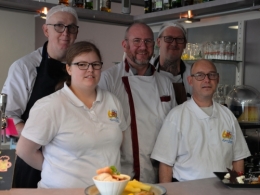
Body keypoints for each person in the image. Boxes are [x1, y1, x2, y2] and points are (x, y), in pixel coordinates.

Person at [16, 41, 127, 188]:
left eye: (95, 64)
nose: (90, 70)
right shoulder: (51, 106)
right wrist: (55, 168)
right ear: (68, 68)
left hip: (107, 190)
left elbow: (119, 143)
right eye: (82, 64)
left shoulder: (112, 101)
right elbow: (24, 151)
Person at [1, 5, 79, 188]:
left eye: (71, 28)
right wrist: (37, 138)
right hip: (28, 158)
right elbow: (5, 120)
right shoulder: (24, 67)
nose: (65, 33)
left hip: (66, 159)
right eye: (59, 26)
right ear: (46, 30)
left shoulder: (79, 68)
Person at [98, 22, 177, 183]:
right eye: (137, 41)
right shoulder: (109, 79)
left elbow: (174, 129)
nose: (143, 46)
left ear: (154, 45)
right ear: (125, 45)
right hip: (120, 173)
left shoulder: (165, 82)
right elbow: (100, 128)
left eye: (148, 41)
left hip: (159, 171)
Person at [151, 59, 251, 182]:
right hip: (186, 190)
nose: (207, 80)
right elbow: (165, 164)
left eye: (211, 75)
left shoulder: (228, 116)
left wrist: (237, 189)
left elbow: (238, 158)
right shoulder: (176, 116)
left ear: (218, 79)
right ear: (190, 81)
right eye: (199, 75)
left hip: (224, 190)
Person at [152, 22, 192, 104]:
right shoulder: (147, 72)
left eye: (179, 39)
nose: (174, 43)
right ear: (159, 42)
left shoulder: (193, 74)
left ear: (184, 44)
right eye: (168, 38)